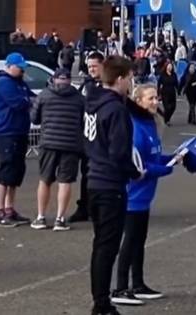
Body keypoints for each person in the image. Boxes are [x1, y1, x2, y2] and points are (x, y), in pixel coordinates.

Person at [84, 55, 143, 315]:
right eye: (129, 78)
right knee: (108, 246)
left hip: (93, 179)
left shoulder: (91, 104)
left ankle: (100, 299)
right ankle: (102, 303)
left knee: (100, 245)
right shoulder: (116, 110)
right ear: (120, 78)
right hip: (110, 184)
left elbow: (85, 140)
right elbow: (119, 152)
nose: (131, 83)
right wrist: (135, 173)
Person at [112, 85, 176, 306]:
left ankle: (138, 284)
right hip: (133, 196)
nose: (155, 101)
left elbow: (156, 156)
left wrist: (175, 157)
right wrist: (167, 168)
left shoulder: (150, 124)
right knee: (129, 241)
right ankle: (120, 288)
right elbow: (139, 165)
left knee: (140, 241)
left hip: (146, 196)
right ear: (137, 100)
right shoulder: (135, 128)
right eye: (150, 98)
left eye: (156, 97)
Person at [30, 68, 85, 231]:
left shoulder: (44, 95)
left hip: (48, 143)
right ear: (69, 81)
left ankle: (41, 217)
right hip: (71, 144)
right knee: (65, 181)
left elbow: (34, 118)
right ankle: (60, 219)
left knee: (45, 180)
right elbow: (84, 120)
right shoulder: (79, 98)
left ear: (54, 80)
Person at [0, 53, 33, 228]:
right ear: (9, 66)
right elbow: (18, 103)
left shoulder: (19, 83)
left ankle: (10, 209)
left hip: (20, 130)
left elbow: (31, 97)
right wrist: (29, 100)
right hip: (7, 131)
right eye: (20, 67)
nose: (22, 70)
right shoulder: (4, 83)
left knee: (15, 172)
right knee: (6, 170)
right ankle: (0, 211)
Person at [69, 52, 105, 223]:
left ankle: (98, 207)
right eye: (89, 66)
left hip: (102, 136)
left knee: (100, 174)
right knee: (86, 173)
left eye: (94, 66)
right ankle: (84, 207)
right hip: (86, 135)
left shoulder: (107, 85)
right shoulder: (86, 85)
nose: (91, 69)